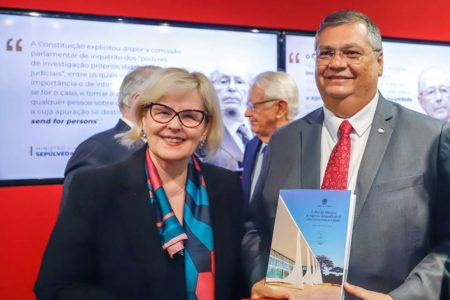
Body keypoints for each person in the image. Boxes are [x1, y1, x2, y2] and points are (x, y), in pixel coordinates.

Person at [242, 10, 450, 300]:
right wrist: (266, 279)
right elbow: (257, 229)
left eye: (351, 53)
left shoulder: (431, 137)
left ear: (379, 62)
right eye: (325, 53)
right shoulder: (284, 141)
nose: (337, 63)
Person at [35, 68, 245, 300]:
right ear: (143, 118)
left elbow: (235, 280)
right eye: (163, 112)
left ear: (205, 128)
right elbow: (57, 287)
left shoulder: (226, 187)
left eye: (189, 116)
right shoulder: (96, 188)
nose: (175, 125)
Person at [61, 65, 160, 209]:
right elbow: (75, 218)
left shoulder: (162, 147)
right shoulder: (96, 149)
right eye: (164, 99)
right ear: (137, 101)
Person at [242, 71, 299, 203]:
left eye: (253, 106)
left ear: (280, 108)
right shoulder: (251, 147)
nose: (247, 113)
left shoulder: (306, 149)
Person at [203, 69, 252, 171]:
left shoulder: (263, 130)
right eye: (224, 82)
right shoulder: (202, 134)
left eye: (239, 82)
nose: (232, 88)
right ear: (211, 88)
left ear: (250, 88)